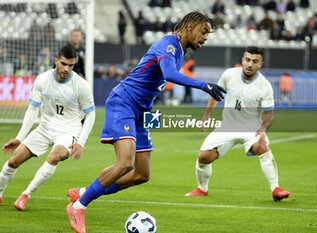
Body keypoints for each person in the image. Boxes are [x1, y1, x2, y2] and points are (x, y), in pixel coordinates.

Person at [65, 11, 226, 233]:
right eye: (204, 31)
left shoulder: (180, 51)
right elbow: (168, 74)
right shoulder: (168, 44)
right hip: (124, 102)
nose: (206, 37)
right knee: (125, 163)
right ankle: (79, 206)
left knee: (141, 174)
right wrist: (203, 85)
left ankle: (84, 192)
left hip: (141, 112)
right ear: (189, 26)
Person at [185, 46, 290, 202]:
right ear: (242, 60)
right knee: (204, 157)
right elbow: (216, 95)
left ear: (260, 64)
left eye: (254, 61)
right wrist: (206, 115)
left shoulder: (265, 86)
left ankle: (276, 189)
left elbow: (269, 114)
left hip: (251, 127)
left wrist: (263, 129)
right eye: (247, 60)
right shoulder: (229, 75)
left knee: (262, 146)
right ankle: (202, 189)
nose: (250, 64)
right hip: (227, 126)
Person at [0, 45, 95, 211]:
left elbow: (91, 115)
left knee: (54, 156)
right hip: (44, 128)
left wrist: (81, 142)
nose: (67, 69)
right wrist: (20, 137)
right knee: (14, 160)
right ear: (56, 60)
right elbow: (33, 109)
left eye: (71, 65)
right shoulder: (42, 80)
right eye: (64, 64)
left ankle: (25, 195)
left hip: (69, 131)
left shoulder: (81, 85)